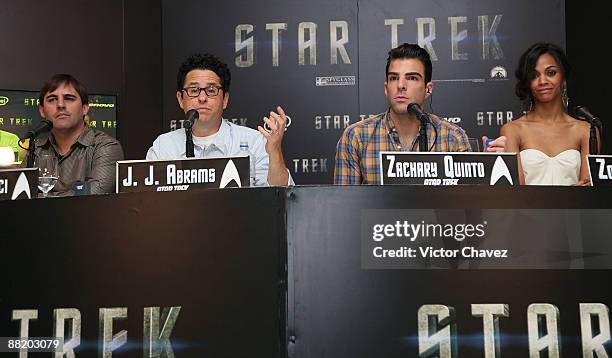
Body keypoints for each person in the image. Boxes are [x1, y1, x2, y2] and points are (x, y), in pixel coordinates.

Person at [334, 43, 505, 184]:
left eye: (412, 78)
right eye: (394, 78)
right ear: (386, 88)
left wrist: (487, 169)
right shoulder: (357, 136)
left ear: (428, 89)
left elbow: (469, 210)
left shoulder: (452, 137)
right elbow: (344, 210)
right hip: (377, 226)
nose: (401, 85)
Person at [147, 53, 293, 186]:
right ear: (180, 99)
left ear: (225, 99)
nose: (202, 98)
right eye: (194, 90)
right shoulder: (164, 147)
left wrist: (275, 152)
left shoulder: (254, 142)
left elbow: (282, 198)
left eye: (211, 90)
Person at [500, 42, 597, 185]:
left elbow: (589, 194)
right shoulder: (512, 130)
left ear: (563, 78)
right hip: (525, 207)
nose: (543, 81)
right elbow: (516, 195)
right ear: (527, 82)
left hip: (575, 208)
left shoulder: (586, 130)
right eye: (534, 75)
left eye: (551, 73)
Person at [25, 74, 124, 195]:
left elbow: (92, 195)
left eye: (69, 98)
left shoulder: (106, 146)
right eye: (52, 99)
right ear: (42, 110)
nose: (60, 105)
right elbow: (15, 192)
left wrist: (40, 197)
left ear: (85, 108)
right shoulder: (35, 149)